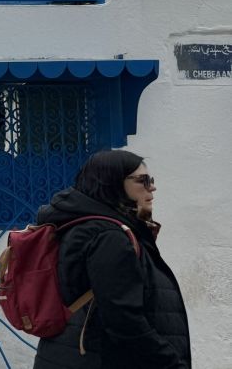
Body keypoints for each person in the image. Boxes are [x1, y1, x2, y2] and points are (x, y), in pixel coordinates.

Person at [32, 150, 190, 368]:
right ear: (113, 183)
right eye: (142, 180)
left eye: (151, 180)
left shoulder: (89, 225)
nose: (152, 187)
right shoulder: (108, 236)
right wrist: (170, 362)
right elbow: (123, 319)